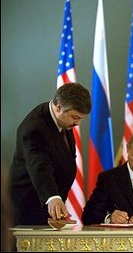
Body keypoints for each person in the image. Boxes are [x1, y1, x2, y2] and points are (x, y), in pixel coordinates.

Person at [9, 82, 91, 225]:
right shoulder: (34, 128)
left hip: (48, 207)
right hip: (27, 208)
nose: (78, 123)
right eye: (75, 117)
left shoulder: (63, 120)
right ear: (59, 107)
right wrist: (53, 197)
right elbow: (40, 167)